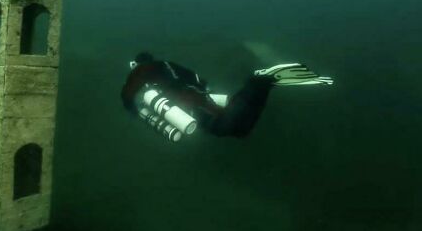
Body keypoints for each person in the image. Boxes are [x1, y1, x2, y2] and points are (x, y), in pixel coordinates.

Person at [121, 52, 333, 140]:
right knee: (240, 130)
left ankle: (257, 81)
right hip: (193, 105)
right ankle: (263, 84)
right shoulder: (164, 66)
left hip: (193, 106)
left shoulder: (147, 73)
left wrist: (131, 108)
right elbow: (198, 81)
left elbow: (128, 96)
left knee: (228, 126)